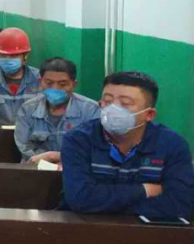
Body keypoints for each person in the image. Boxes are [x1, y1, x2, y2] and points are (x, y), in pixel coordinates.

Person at [61, 71, 194, 219]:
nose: (113, 109)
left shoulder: (172, 144)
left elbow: (179, 205)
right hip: (84, 227)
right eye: (107, 101)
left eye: (125, 104)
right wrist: (145, 190)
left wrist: (105, 205)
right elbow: (80, 198)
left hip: (147, 231)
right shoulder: (78, 139)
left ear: (149, 114)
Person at [14, 57, 101, 164]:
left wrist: (56, 157)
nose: (55, 88)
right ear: (40, 82)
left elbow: (96, 148)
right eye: (49, 83)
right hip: (37, 168)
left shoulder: (91, 110)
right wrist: (48, 161)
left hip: (77, 167)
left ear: (74, 84)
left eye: (63, 84)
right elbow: (25, 146)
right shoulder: (28, 109)